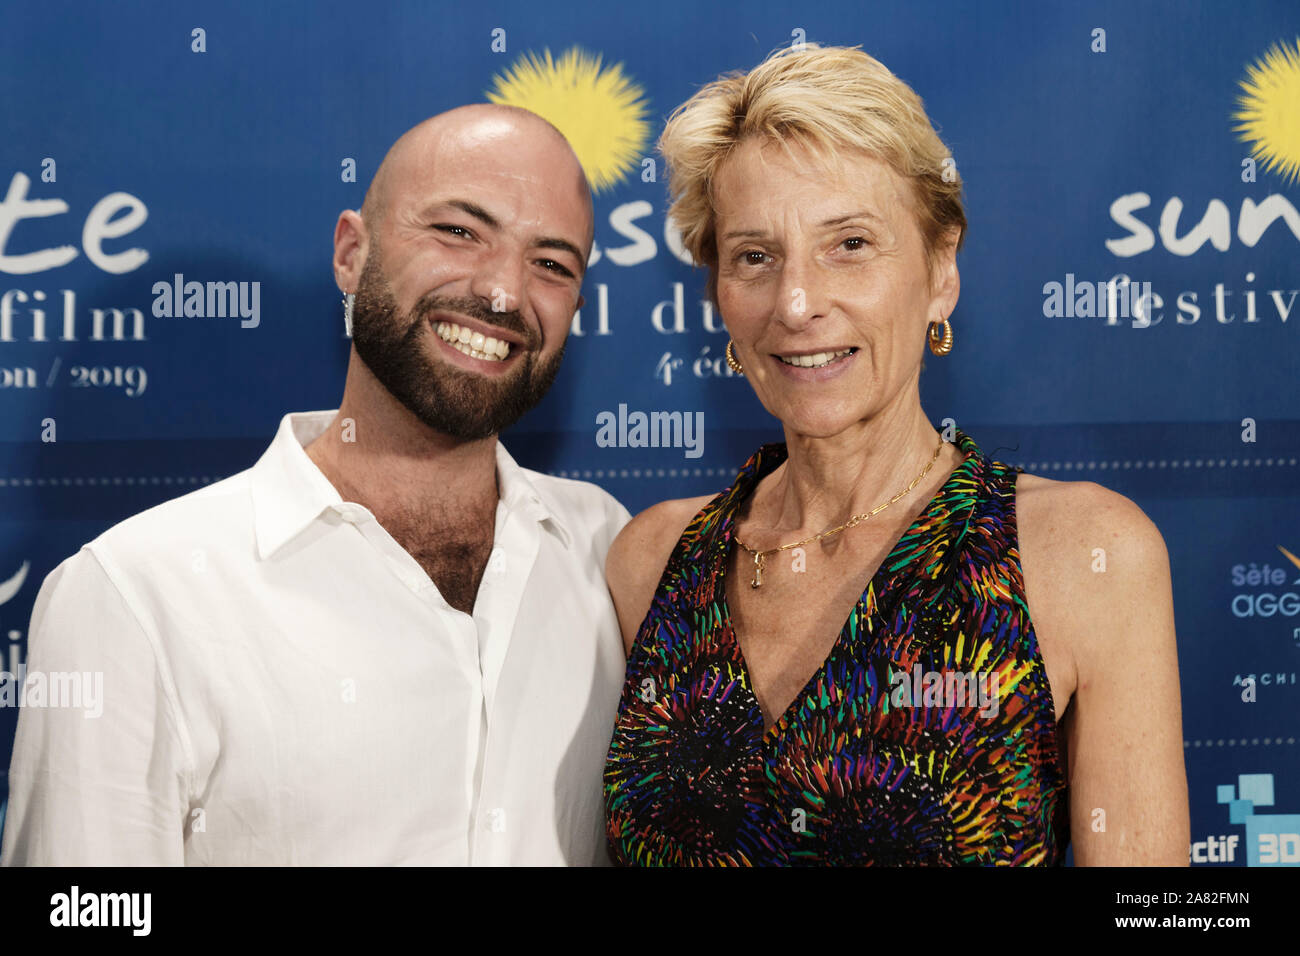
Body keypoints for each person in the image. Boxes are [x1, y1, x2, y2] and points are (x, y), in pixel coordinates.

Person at [602, 45, 1188, 866]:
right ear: (718, 292)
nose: (798, 302)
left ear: (941, 270)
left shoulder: (1081, 555)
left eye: (849, 244)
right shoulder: (650, 563)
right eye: (755, 256)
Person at [1, 103, 630, 865]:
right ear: (351, 255)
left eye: (552, 264)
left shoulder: (610, 551)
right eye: (459, 231)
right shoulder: (134, 595)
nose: (502, 290)